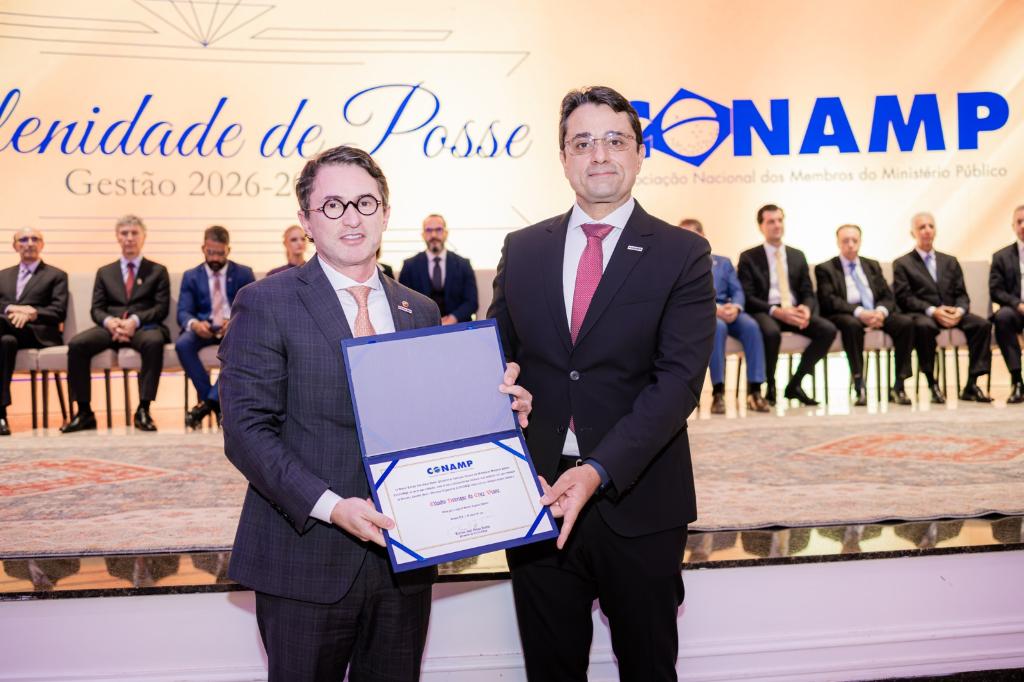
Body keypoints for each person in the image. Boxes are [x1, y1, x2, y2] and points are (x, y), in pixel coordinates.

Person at [218, 145, 532, 681]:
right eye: (333, 205)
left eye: (365, 203)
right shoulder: (266, 301)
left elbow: (437, 419)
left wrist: (499, 411)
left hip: (404, 561)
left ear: (386, 213)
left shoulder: (420, 309)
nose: (352, 218)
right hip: (306, 558)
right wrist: (332, 507)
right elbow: (247, 431)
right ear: (306, 220)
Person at [488, 85, 715, 682]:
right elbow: (497, 357)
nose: (599, 155)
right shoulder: (522, 249)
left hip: (637, 498)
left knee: (648, 667)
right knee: (551, 669)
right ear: (563, 157)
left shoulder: (683, 253)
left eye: (615, 140)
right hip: (538, 497)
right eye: (582, 142)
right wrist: (498, 389)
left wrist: (596, 471)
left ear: (640, 153)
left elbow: (678, 383)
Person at [62, 215, 170, 433]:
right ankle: (84, 411)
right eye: (124, 233)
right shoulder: (105, 272)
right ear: (117, 237)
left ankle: (143, 409)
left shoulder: (157, 271)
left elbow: (161, 308)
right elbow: (96, 309)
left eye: (134, 233)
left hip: (142, 327)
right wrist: (110, 322)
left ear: (143, 237)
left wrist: (134, 321)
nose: (129, 238)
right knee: (77, 345)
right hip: (109, 327)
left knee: (154, 342)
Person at [737, 205, 837, 406]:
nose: (777, 225)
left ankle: (795, 384)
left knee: (827, 330)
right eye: (771, 221)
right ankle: (770, 385)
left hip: (793, 310)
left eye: (780, 220)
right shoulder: (749, 257)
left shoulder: (797, 255)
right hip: (766, 310)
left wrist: (805, 308)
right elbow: (747, 296)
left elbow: (807, 290)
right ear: (761, 226)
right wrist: (776, 311)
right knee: (771, 333)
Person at [893, 212, 993, 403]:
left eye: (931, 226)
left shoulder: (950, 261)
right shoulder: (903, 263)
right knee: (923, 327)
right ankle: (932, 383)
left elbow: (962, 294)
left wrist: (959, 311)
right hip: (924, 314)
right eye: (922, 227)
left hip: (952, 312)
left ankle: (972, 384)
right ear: (913, 233)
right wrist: (933, 311)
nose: (927, 230)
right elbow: (904, 298)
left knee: (982, 325)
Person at [815, 224, 915, 406]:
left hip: (875, 312)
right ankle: (859, 385)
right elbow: (829, 300)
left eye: (854, 240)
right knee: (851, 325)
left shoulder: (872, 265)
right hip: (847, 314)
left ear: (860, 241)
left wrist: (880, 312)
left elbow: (887, 296)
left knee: (905, 323)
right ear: (838, 242)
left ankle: (899, 385)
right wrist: (860, 313)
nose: (850, 244)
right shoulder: (826, 268)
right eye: (846, 241)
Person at [679, 218, 769, 414]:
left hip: (729, 310)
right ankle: (718, 392)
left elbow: (737, 290)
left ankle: (755, 390)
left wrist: (735, 307)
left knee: (752, 326)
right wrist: (714, 309)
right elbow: (684, 296)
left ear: (703, 236)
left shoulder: (723, 262)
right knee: (717, 328)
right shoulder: (677, 264)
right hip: (702, 314)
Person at [175, 225, 255, 428]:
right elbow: (183, 312)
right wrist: (194, 324)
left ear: (228, 250)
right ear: (203, 248)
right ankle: (213, 402)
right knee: (183, 344)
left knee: (245, 343)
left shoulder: (244, 274)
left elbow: (252, 309)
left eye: (220, 253)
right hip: (204, 327)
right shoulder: (191, 276)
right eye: (211, 252)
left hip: (233, 328)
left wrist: (234, 321)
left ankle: (205, 405)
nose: (216, 258)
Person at [0, 227, 68, 435]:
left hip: (38, 334)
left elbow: (59, 311)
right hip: (8, 333)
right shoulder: (3, 276)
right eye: (23, 239)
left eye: (34, 239)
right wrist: (11, 309)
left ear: (42, 244)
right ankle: (1, 414)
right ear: (15, 246)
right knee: (5, 342)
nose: (29, 243)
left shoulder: (56, 275)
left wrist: (32, 313)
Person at [399, 214, 478, 324]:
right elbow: (403, 303)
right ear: (423, 235)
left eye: (438, 230)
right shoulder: (409, 266)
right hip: (422, 328)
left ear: (446, 233)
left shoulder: (463, 265)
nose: (434, 235)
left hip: (457, 327)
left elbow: (471, 302)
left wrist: (452, 319)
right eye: (429, 230)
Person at [989, 204, 1024, 404]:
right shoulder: (1001, 256)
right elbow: (996, 290)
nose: (1023, 225)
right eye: (1019, 222)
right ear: (1013, 226)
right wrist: (1017, 304)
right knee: (1002, 317)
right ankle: (1017, 380)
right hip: (1015, 310)